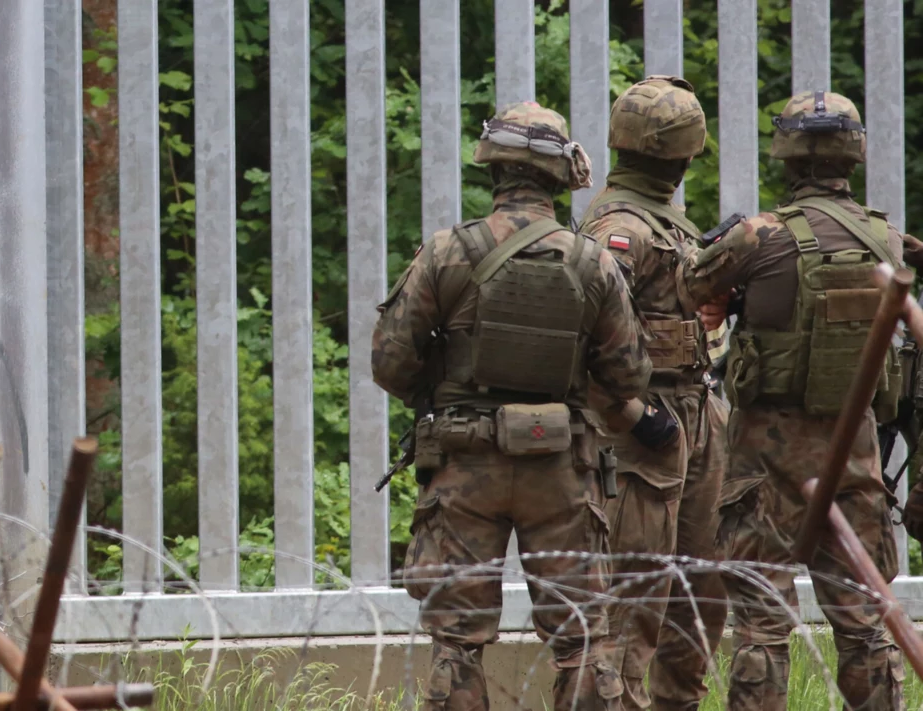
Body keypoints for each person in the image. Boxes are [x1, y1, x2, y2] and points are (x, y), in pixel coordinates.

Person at [372, 101, 659, 711]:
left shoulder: (448, 251)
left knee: (458, 643)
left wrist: (444, 394)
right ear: (561, 176)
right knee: (581, 639)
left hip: (463, 465)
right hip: (561, 466)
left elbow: (390, 362)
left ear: (494, 169)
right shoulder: (594, 262)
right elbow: (630, 374)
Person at [676, 90, 906, 710]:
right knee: (864, 624)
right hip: (854, 453)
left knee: (762, 625)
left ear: (785, 154)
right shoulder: (889, 242)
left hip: (766, 459)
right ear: (854, 154)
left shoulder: (759, 236)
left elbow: (688, 286)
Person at [577, 75, 728, 711]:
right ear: (685, 153)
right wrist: (635, 416)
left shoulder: (664, 222)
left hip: (693, 413)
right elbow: (582, 338)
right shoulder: (618, 228)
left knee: (702, 594)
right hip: (643, 429)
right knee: (634, 601)